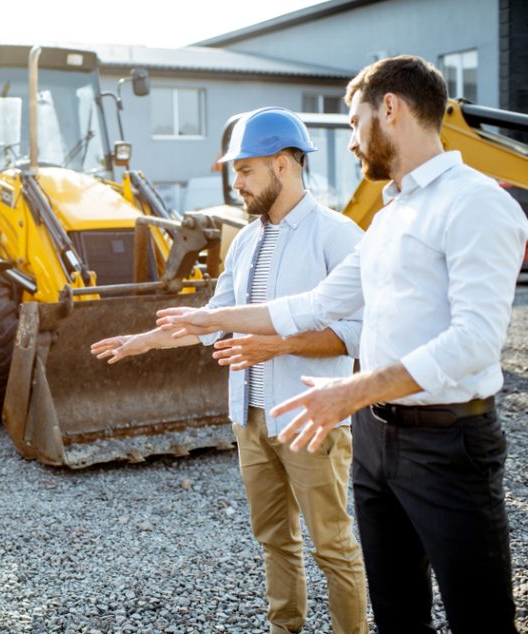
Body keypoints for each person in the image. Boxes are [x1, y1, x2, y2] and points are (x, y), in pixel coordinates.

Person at [156, 55, 528, 634]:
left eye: (354, 124)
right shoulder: (389, 216)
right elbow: (314, 304)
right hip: (378, 442)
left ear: (390, 109)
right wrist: (208, 318)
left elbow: (476, 342)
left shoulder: (476, 203)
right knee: (398, 612)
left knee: (478, 617)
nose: (352, 143)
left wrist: (349, 390)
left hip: (450, 444)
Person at [92, 107, 368, 634]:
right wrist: (142, 342)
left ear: (283, 164)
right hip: (250, 419)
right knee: (274, 541)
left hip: (311, 419)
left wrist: (274, 347)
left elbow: (356, 335)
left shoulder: (337, 235)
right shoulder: (243, 241)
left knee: (332, 545)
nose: (235, 182)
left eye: (245, 170)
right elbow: (212, 320)